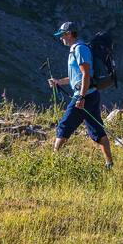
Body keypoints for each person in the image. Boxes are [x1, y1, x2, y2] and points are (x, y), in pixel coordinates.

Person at [48, 22, 113, 168]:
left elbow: (86, 75)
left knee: (64, 126)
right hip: (90, 94)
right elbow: (76, 77)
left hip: (84, 96)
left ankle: (53, 163)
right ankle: (109, 164)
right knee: (97, 130)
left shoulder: (80, 49)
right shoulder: (76, 49)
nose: (61, 38)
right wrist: (58, 82)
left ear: (69, 34)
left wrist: (81, 97)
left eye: (62, 35)